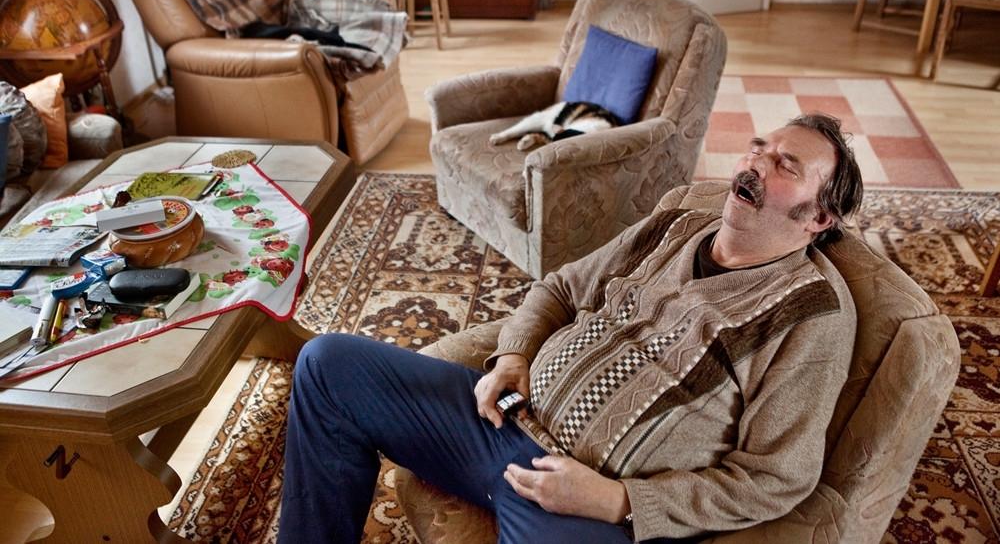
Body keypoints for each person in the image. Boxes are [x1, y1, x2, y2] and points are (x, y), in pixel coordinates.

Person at [278, 113, 864, 543]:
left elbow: (773, 479)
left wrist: (620, 501)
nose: (756, 163)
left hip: (582, 504)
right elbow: (559, 288)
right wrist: (513, 357)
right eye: (759, 148)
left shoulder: (812, 314)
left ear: (819, 216)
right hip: (498, 421)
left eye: (786, 165)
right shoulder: (678, 223)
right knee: (327, 365)